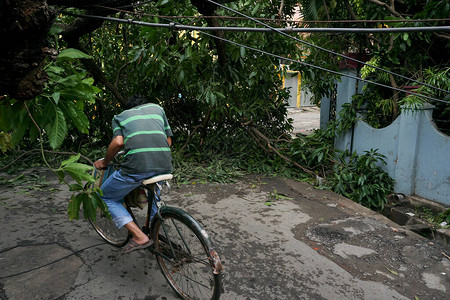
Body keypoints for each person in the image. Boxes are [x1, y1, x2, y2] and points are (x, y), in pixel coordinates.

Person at [94, 94, 173, 253]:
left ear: (129, 109)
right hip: (164, 164)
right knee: (153, 194)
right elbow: (168, 140)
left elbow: (118, 142)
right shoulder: (157, 109)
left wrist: (104, 162)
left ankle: (140, 236)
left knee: (105, 197)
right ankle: (154, 231)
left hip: (137, 167)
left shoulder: (120, 116)